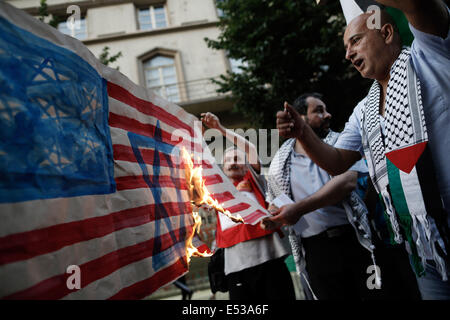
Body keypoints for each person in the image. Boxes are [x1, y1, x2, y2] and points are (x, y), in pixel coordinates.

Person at [273, 0, 450, 299]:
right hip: (423, 247)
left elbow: (421, 5)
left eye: (355, 40)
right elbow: (337, 161)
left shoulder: (431, 57)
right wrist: (302, 132)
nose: (347, 53)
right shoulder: (363, 111)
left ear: (388, 33)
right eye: (345, 46)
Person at [263, 93, 380, 300]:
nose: (328, 115)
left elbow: (346, 182)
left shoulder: (342, 144)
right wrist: (273, 216)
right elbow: (275, 200)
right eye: (318, 110)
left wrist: (298, 209)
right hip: (315, 252)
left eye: (325, 109)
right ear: (300, 118)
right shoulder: (279, 162)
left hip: (353, 241)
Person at [201, 112, 295, 300]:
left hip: (269, 260)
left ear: (248, 166)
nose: (232, 162)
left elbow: (250, 149)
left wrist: (220, 129)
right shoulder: (215, 193)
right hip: (235, 269)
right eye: (227, 160)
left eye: (237, 158)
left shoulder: (254, 181)